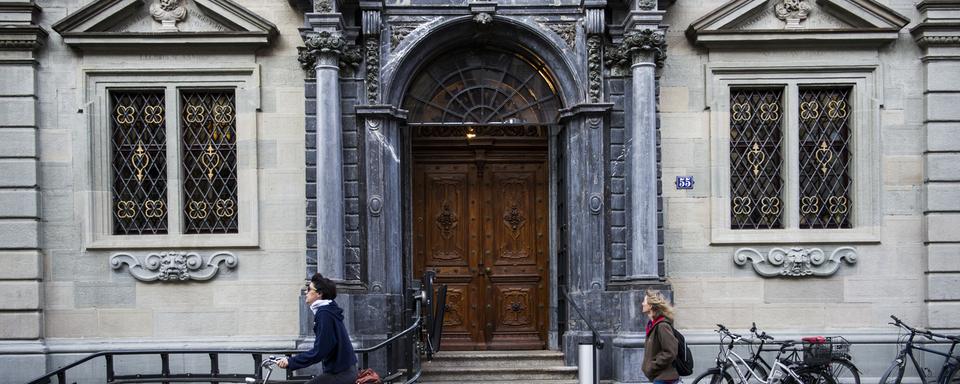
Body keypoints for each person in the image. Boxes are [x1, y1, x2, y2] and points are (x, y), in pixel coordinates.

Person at [277, 273, 358, 384]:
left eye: (309, 289)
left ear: (319, 293)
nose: (306, 292)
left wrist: (291, 361)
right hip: (342, 370)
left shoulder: (325, 314)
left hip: (340, 373)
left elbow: (320, 350)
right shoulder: (328, 309)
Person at [641, 289, 679, 384]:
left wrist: (652, 366)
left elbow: (670, 352)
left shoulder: (662, 326)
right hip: (659, 377)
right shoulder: (653, 325)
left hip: (664, 377)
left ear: (650, 306)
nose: (642, 303)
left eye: (644, 301)